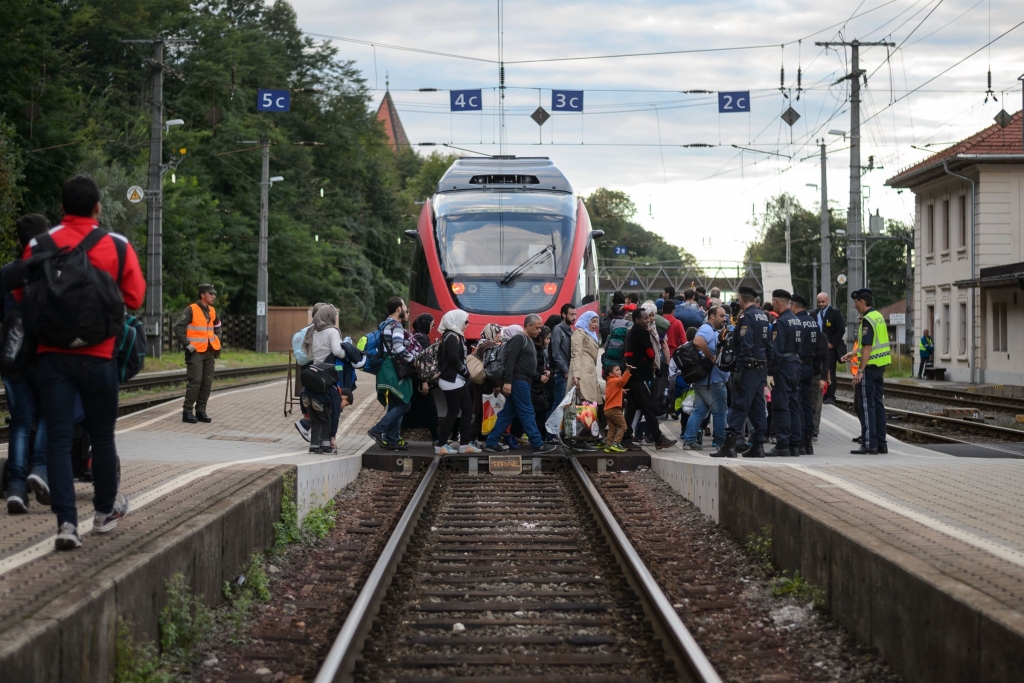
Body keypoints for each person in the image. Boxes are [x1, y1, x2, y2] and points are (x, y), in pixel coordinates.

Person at [16, 175, 145, 549]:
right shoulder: (116, 245)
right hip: (100, 356)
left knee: (57, 438)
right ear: (98, 207)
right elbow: (134, 298)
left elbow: (25, 295)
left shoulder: (39, 244)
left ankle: (67, 525)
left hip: (51, 359)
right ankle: (104, 513)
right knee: (102, 436)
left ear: (61, 208)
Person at [2, 214, 51, 512]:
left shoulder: (7, 274)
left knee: (20, 422)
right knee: (47, 415)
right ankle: (40, 469)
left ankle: (16, 488)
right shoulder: (53, 271)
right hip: (45, 356)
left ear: (20, 241)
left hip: (12, 356)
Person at [483, 315, 558, 454]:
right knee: (527, 411)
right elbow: (510, 360)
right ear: (528, 326)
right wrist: (508, 382)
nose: (539, 330)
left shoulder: (528, 340)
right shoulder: (519, 338)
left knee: (507, 413)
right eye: (536, 327)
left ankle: (491, 442)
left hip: (523, 381)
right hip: (519, 381)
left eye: (540, 327)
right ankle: (537, 443)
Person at [711, 287, 772, 458]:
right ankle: (758, 445)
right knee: (757, 407)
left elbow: (746, 344)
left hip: (748, 368)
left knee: (739, 406)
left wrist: (739, 369)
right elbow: (769, 344)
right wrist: (770, 367)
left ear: (741, 299)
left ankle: (730, 445)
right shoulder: (763, 316)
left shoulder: (747, 317)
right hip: (761, 368)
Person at [367, 297, 423, 452]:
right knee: (404, 404)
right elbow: (398, 347)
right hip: (393, 369)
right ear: (399, 309)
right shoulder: (396, 325)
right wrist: (413, 361)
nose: (406, 309)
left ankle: (392, 441)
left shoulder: (383, 324)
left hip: (384, 368)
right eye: (404, 306)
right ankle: (378, 429)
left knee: (394, 404)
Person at [623, 307, 677, 450]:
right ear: (637, 320)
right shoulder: (642, 332)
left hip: (630, 374)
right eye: (645, 318)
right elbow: (650, 353)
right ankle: (658, 438)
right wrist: (652, 361)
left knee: (632, 407)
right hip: (640, 375)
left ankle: (625, 438)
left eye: (649, 317)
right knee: (648, 406)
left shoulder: (630, 332)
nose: (649, 320)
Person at [682, 305, 730, 451]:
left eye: (725, 316)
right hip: (712, 381)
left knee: (700, 410)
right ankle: (721, 443)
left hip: (704, 380)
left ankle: (689, 440)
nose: (725, 318)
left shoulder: (713, 330)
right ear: (712, 316)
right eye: (721, 316)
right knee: (721, 411)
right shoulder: (707, 329)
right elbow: (698, 341)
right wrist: (712, 357)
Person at [300, 303, 347, 450]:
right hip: (328, 376)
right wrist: (347, 351)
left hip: (315, 374)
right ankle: (327, 444)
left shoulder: (313, 331)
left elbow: (311, 354)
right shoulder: (332, 332)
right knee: (329, 412)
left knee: (315, 417)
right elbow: (337, 351)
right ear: (330, 317)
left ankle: (314, 445)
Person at [850, 289, 891, 454]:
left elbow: (868, 346)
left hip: (869, 367)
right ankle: (881, 443)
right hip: (880, 366)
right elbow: (872, 345)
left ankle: (869, 443)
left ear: (862, 301)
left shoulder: (867, 319)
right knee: (878, 405)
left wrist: (860, 370)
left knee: (867, 405)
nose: (855, 306)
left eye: (856, 302)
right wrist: (853, 353)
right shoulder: (879, 316)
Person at [434, 310, 480, 455]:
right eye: (466, 321)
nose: (467, 324)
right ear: (456, 320)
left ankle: (464, 444)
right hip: (451, 380)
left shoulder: (454, 336)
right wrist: (465, 372)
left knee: (467, 409)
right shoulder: (451, 337)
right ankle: (440, 445)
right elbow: (454, 358)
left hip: (456, 380)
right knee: (453, 412)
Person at [175, 284, 220, 423]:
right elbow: (178, 327)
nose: (213, 296)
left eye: (214, 294)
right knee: (195, 381)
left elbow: (217, 326)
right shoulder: (191, 309)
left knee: (207, 382)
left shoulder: (212, 311)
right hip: (196, 352)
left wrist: (217, 338)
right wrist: (187, 345)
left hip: (209, 352)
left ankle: (201, 411)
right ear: (203, 295)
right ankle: (187, 411)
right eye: (211, 294)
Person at [769, 289, 804, 456]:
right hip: (796, 364)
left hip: (783, 365)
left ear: (777, 302)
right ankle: (795, 444)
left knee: (781, 405)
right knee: (794, 405)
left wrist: (771, 372)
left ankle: (782, 444)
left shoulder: (780, 322)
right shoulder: (796, 320)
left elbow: (776, 350)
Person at [792, 295, 827, 454]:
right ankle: (808, 441)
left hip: (798, 366)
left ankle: (799, 441)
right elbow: (819, 347)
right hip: (811, 368)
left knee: (797, 403)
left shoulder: (796, 322)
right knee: (807, 404)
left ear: (793, 305)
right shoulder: (814, 323)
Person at [406, 313, 439, 446]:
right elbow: (422, 362)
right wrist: (424, 381)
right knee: (430, 409)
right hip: (419, 380)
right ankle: (436, 439)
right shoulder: (421, 339)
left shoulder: (417, 336)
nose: (432, 327)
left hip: (415, 379)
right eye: (431, 324)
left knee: (407, 408)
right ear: (425, 324)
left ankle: (394, 435)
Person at [816, 292, 846, 404]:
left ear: (828, 301)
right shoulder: (816, 313)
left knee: (830, 371)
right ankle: (822, 394)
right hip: (818, 348)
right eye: (819, 302)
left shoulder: (834, 313)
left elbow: (841, 329)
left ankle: (830, 396)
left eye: (823, 301)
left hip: (830, 348)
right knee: (821, 370)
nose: (821, 304)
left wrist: (832, 343)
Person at [570, 311, 604, 406]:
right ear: (586, 321)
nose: (595, 324)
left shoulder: (591, 335)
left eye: (597, 322)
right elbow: (576, 355)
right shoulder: (579, 333)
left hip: (589, 373)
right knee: (585, 406)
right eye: (593, 321)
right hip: (582, 375)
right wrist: (576, 375)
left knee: (590, 407)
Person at [550, 303, 576, 408]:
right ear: (564, 315)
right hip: (562, 374)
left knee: (566, 405)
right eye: (571, 314)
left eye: (575, 314)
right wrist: (565, 370)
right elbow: (555, 353)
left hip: (569, 373)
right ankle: (550, 425)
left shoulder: (571, 331)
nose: (574, 317)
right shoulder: (558, 330)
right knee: (559, 405)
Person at [531, 326, 553, 441]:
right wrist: (540, 376)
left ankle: (540, 437)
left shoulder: (539, 350)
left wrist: (544, 372)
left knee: (542, 409)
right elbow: (529, 370)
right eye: (547, 338)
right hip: (533, 386)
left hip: (537, 386)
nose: (548, 341)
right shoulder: (534, 350)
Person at [603, 364, 630, 452]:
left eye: (620, 370)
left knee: (612, 428)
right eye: (617, 370)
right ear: (611, 374)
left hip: (607, 410)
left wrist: (621, 390)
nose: (620, 371)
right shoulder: (616, 380)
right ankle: (616, 443)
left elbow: (612, 391)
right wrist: (628, 370)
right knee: (623, 426)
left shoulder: (609, 382)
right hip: (614, 409)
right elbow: (623, 381)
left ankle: (608, 445)